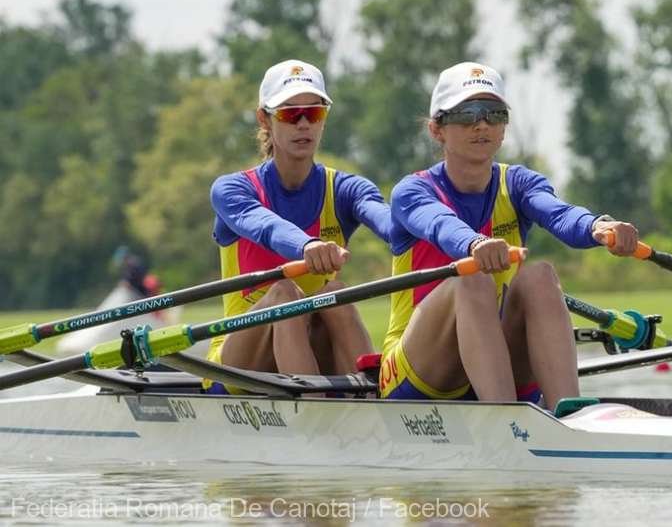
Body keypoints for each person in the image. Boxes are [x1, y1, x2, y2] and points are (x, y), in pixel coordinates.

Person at [379, 62, 639, 409]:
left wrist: (598, 227)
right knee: (472, 279)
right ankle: (505, 421)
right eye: (466, 113)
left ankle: (569, 414)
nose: (482, 123)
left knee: (540, 277)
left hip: (491, 362)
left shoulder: (519, 183)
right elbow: (441, 224)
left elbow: (559, 213)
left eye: (494, 113)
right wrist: (475, 244)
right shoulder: (412, 192)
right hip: (418, 373)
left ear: (503, 127)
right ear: (437, 129)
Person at [203, 59, 391, 394]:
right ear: (265, 118)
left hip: (310, 346)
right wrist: (307, 247)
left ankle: (373, 404)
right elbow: (265, 226)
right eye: (290, 114)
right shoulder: (232, 189)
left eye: (314, 113)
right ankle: (313, 408)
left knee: (334, 292)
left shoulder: (346, 189)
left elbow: (389, 222)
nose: (303, 123)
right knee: (285, 292)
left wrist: (462, 242)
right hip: (239, 364)